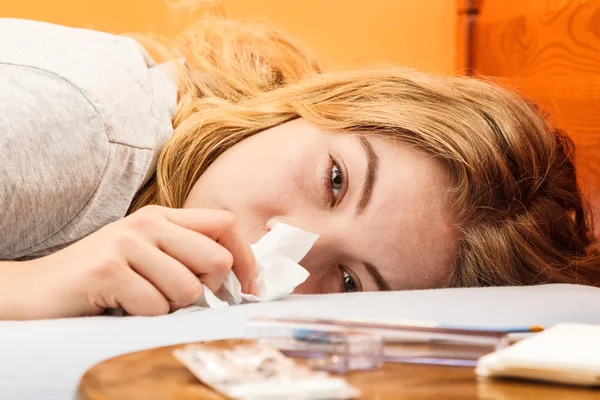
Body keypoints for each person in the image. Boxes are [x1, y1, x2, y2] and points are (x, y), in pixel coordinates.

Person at [0, 10, 598, 321]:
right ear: (320, 105)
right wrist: (28, 287)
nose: (284, 245)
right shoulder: (80, 130)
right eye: (336, 180)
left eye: (346, 281)